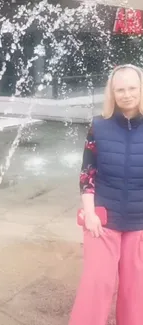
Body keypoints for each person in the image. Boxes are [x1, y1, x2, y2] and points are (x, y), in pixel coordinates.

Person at [68, 64, 143, 325]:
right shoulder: (98, 126)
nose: (126, 94)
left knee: (137, 293)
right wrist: (89, 213)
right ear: (112, 92)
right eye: (120, 89)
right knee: (96, 286)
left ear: (141, 89)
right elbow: (87, 174)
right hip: (102, 221)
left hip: (139, 223)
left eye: (132, 87)